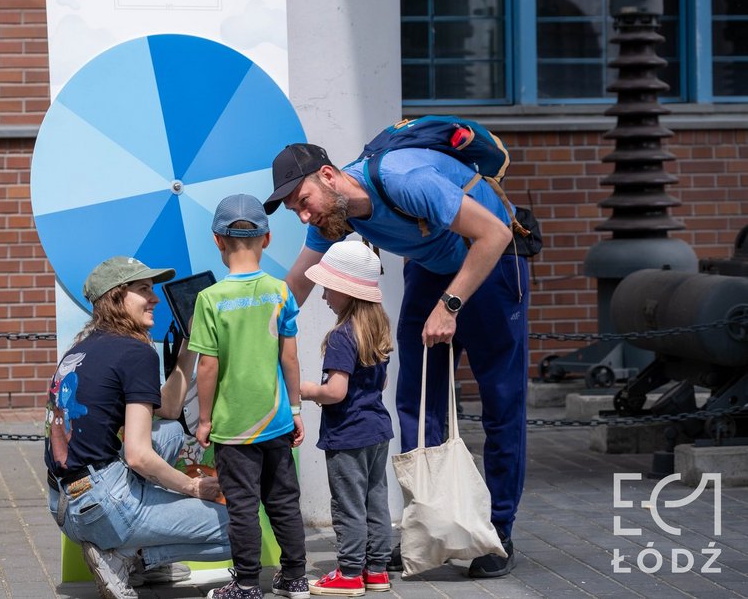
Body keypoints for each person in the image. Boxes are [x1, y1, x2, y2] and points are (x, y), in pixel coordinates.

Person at [264, 141, 527, 578]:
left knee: (501, 405)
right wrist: (251, 337)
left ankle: (499, 532)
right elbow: (296, 289)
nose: (304, 216)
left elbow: (495, 234)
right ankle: (429, 527)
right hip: (431, 267)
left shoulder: (404, 180)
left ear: (327, 176)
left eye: (303, 202)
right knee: (416, 406)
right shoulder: (333, 214)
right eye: (295, 211)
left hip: (491, 260)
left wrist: (449, 305)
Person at [45, 255, 231, 599]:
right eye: (144, 289)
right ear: (116, 297)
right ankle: (130, 557)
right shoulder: (135, 352)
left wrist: (189, 342)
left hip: (64, 505)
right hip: (103, 506)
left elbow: (169, 408)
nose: (154, 298)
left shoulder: (84, 347)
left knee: (171, 431)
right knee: (242, 528)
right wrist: (193, 488)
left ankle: (134, 553)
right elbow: (139, 456)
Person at [189, 193, 310, 599]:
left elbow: (208, 367)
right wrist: (295, 409)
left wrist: (204, 420)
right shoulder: (280, 292)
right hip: (276, 419)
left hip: (234, 426)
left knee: (242, 505)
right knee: (284, 501)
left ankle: (245, 584)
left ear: (217, 240)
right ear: (267, 238)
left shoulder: (210, 299)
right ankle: (295, 578)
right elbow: (289, 358)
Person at [300, 240, 395, 596]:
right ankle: (377, 570)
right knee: (375, 501)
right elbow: (381, 382)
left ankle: (351, 573)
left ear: (346, 290)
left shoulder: (342, 336)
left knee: (348, 504)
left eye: (328, 287)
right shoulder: (377, 329)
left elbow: (336, 392)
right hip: (377, 431)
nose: (324, 295)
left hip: (348, 435)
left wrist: (307, 390)